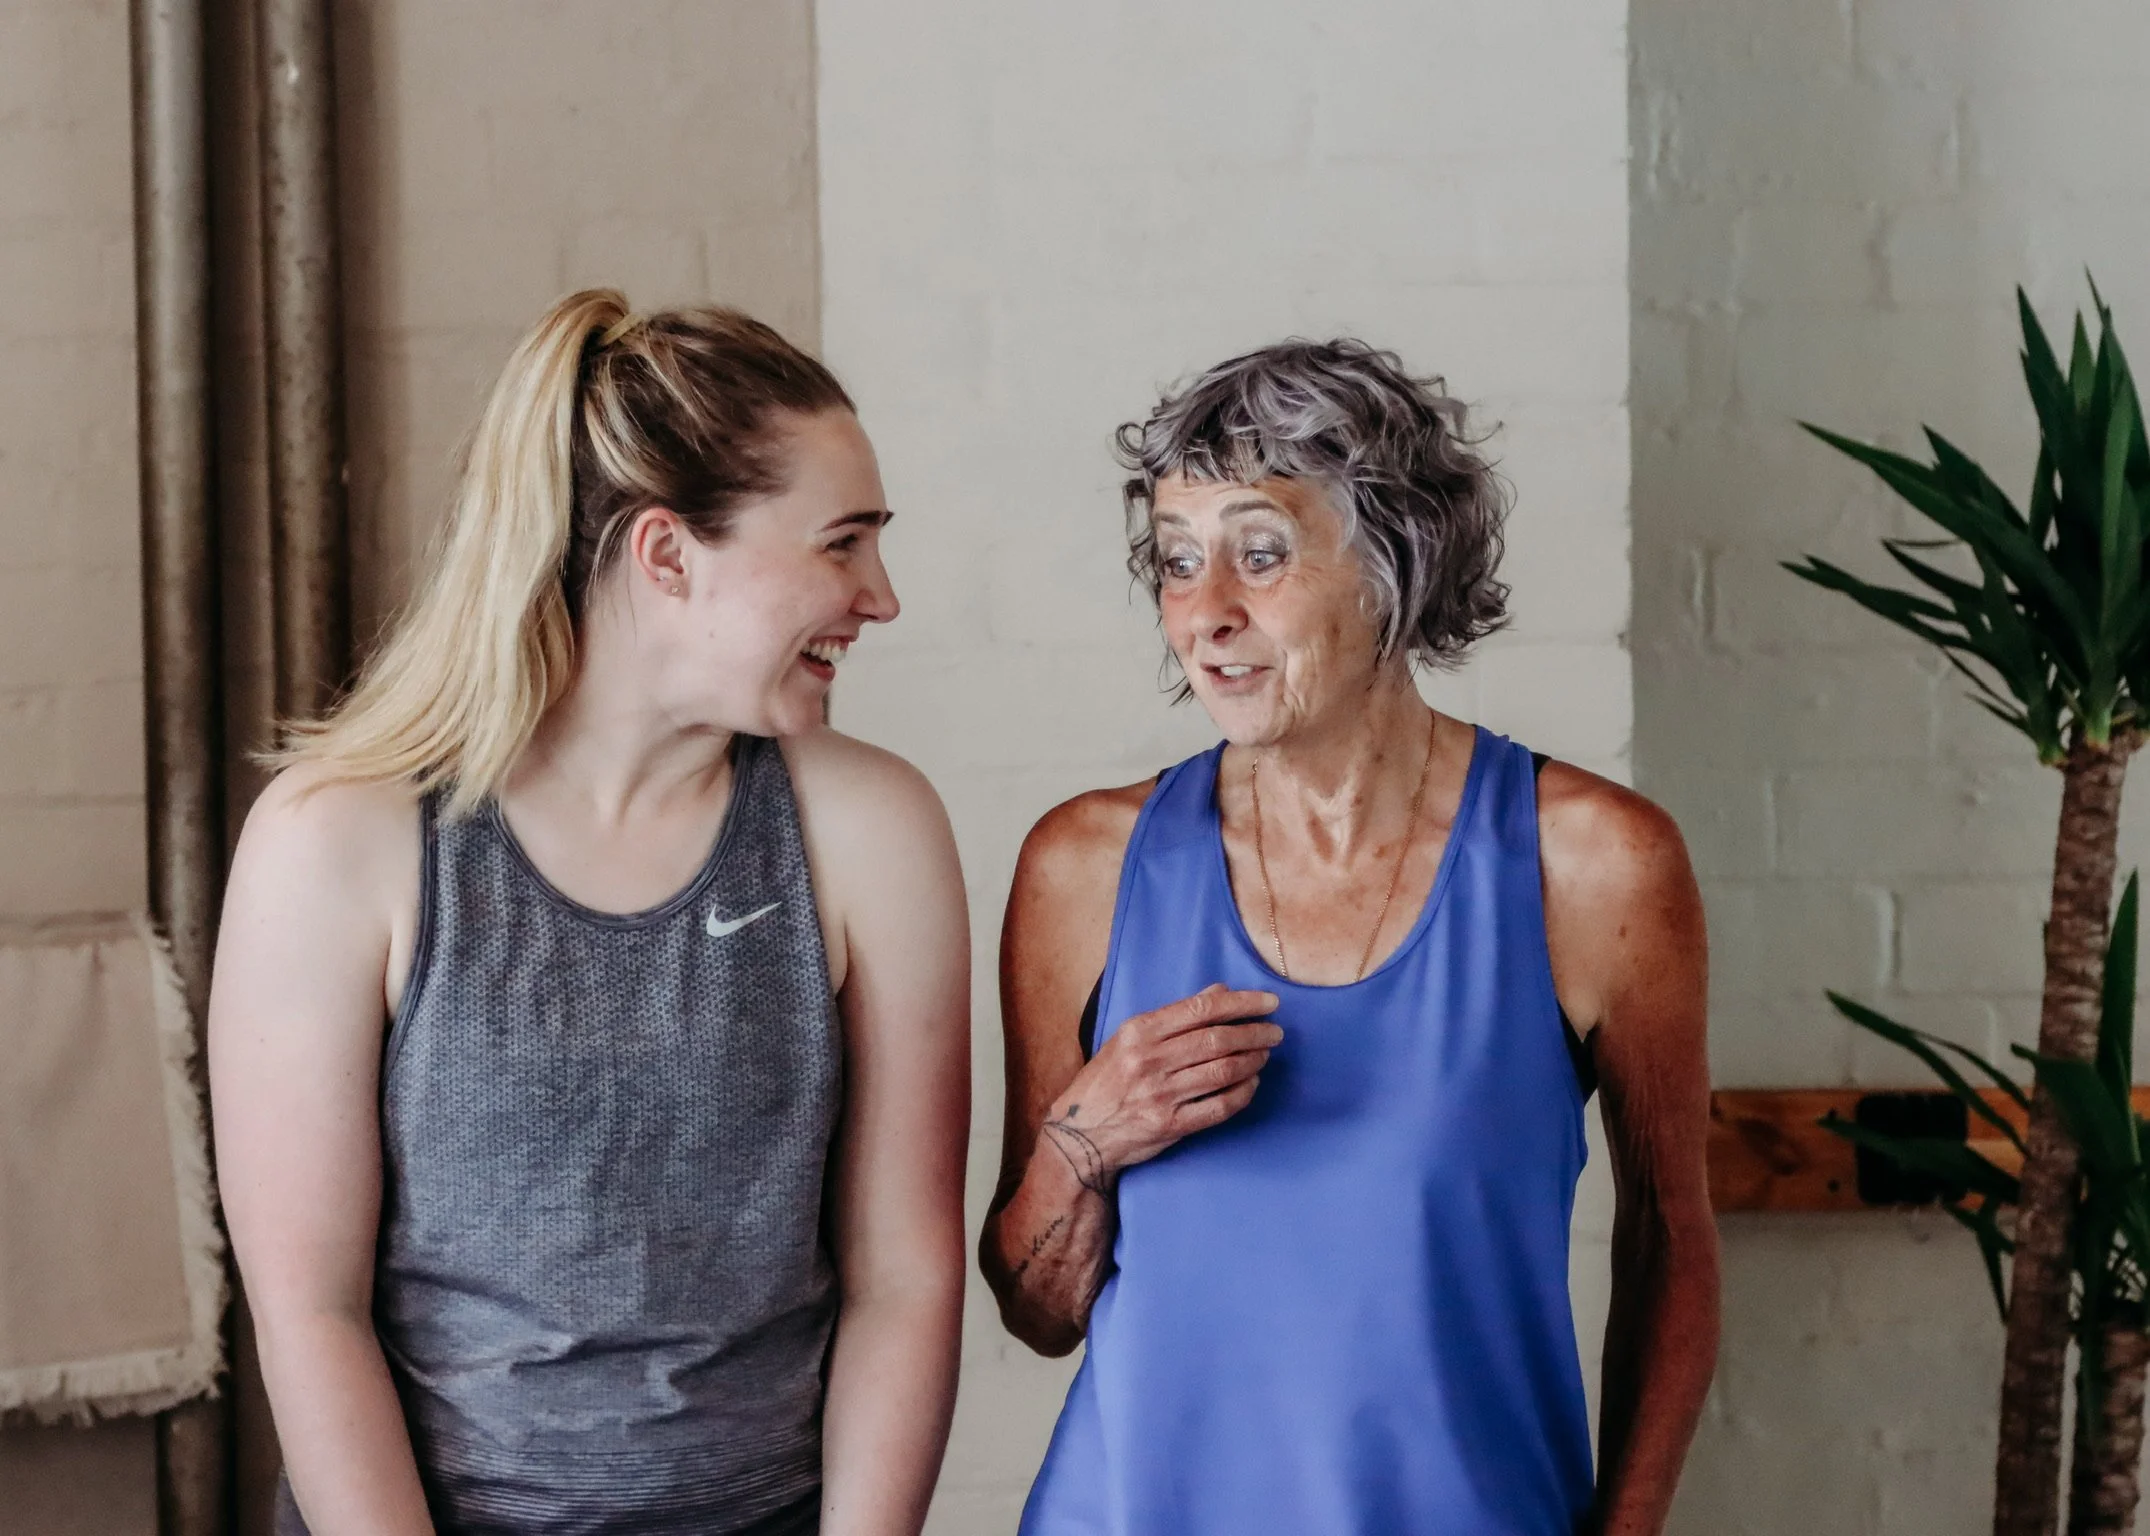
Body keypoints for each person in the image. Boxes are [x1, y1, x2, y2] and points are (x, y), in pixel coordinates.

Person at [210, 291, 969, 1536]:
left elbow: (905, 1275)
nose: (877, 597)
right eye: (841, 544)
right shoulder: (337, 838)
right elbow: (310, 1308)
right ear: (666, 555)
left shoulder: (873, 829)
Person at [980, 339, 1719, 1535]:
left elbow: (1669, 1248)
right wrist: (1082, 1143)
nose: (1204, 611)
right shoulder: (1084, 866)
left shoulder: (1593, 862)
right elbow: (1037, 1313)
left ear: (1393, 565)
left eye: (1258, 554)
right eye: (1175, 562)